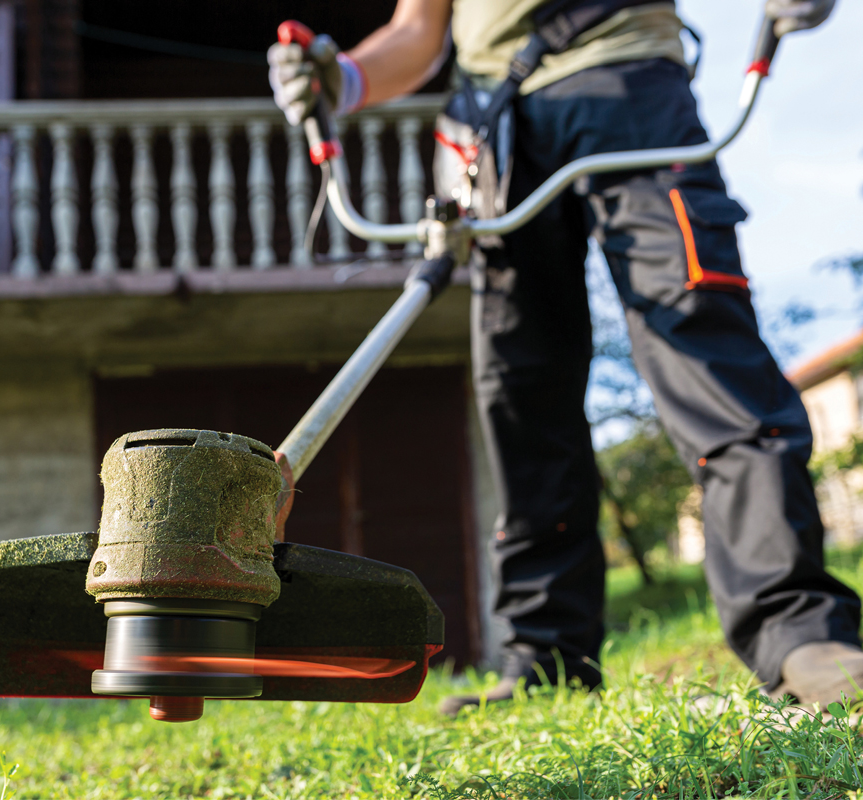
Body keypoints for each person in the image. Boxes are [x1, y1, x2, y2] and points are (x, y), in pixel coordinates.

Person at [268, 0, 857, 713]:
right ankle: (545, 661)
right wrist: (342, 80)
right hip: (493, 128)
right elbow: (420, 30)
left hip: (632, 86)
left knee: (704, 351)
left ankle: (801, 637)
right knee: (521, 393)